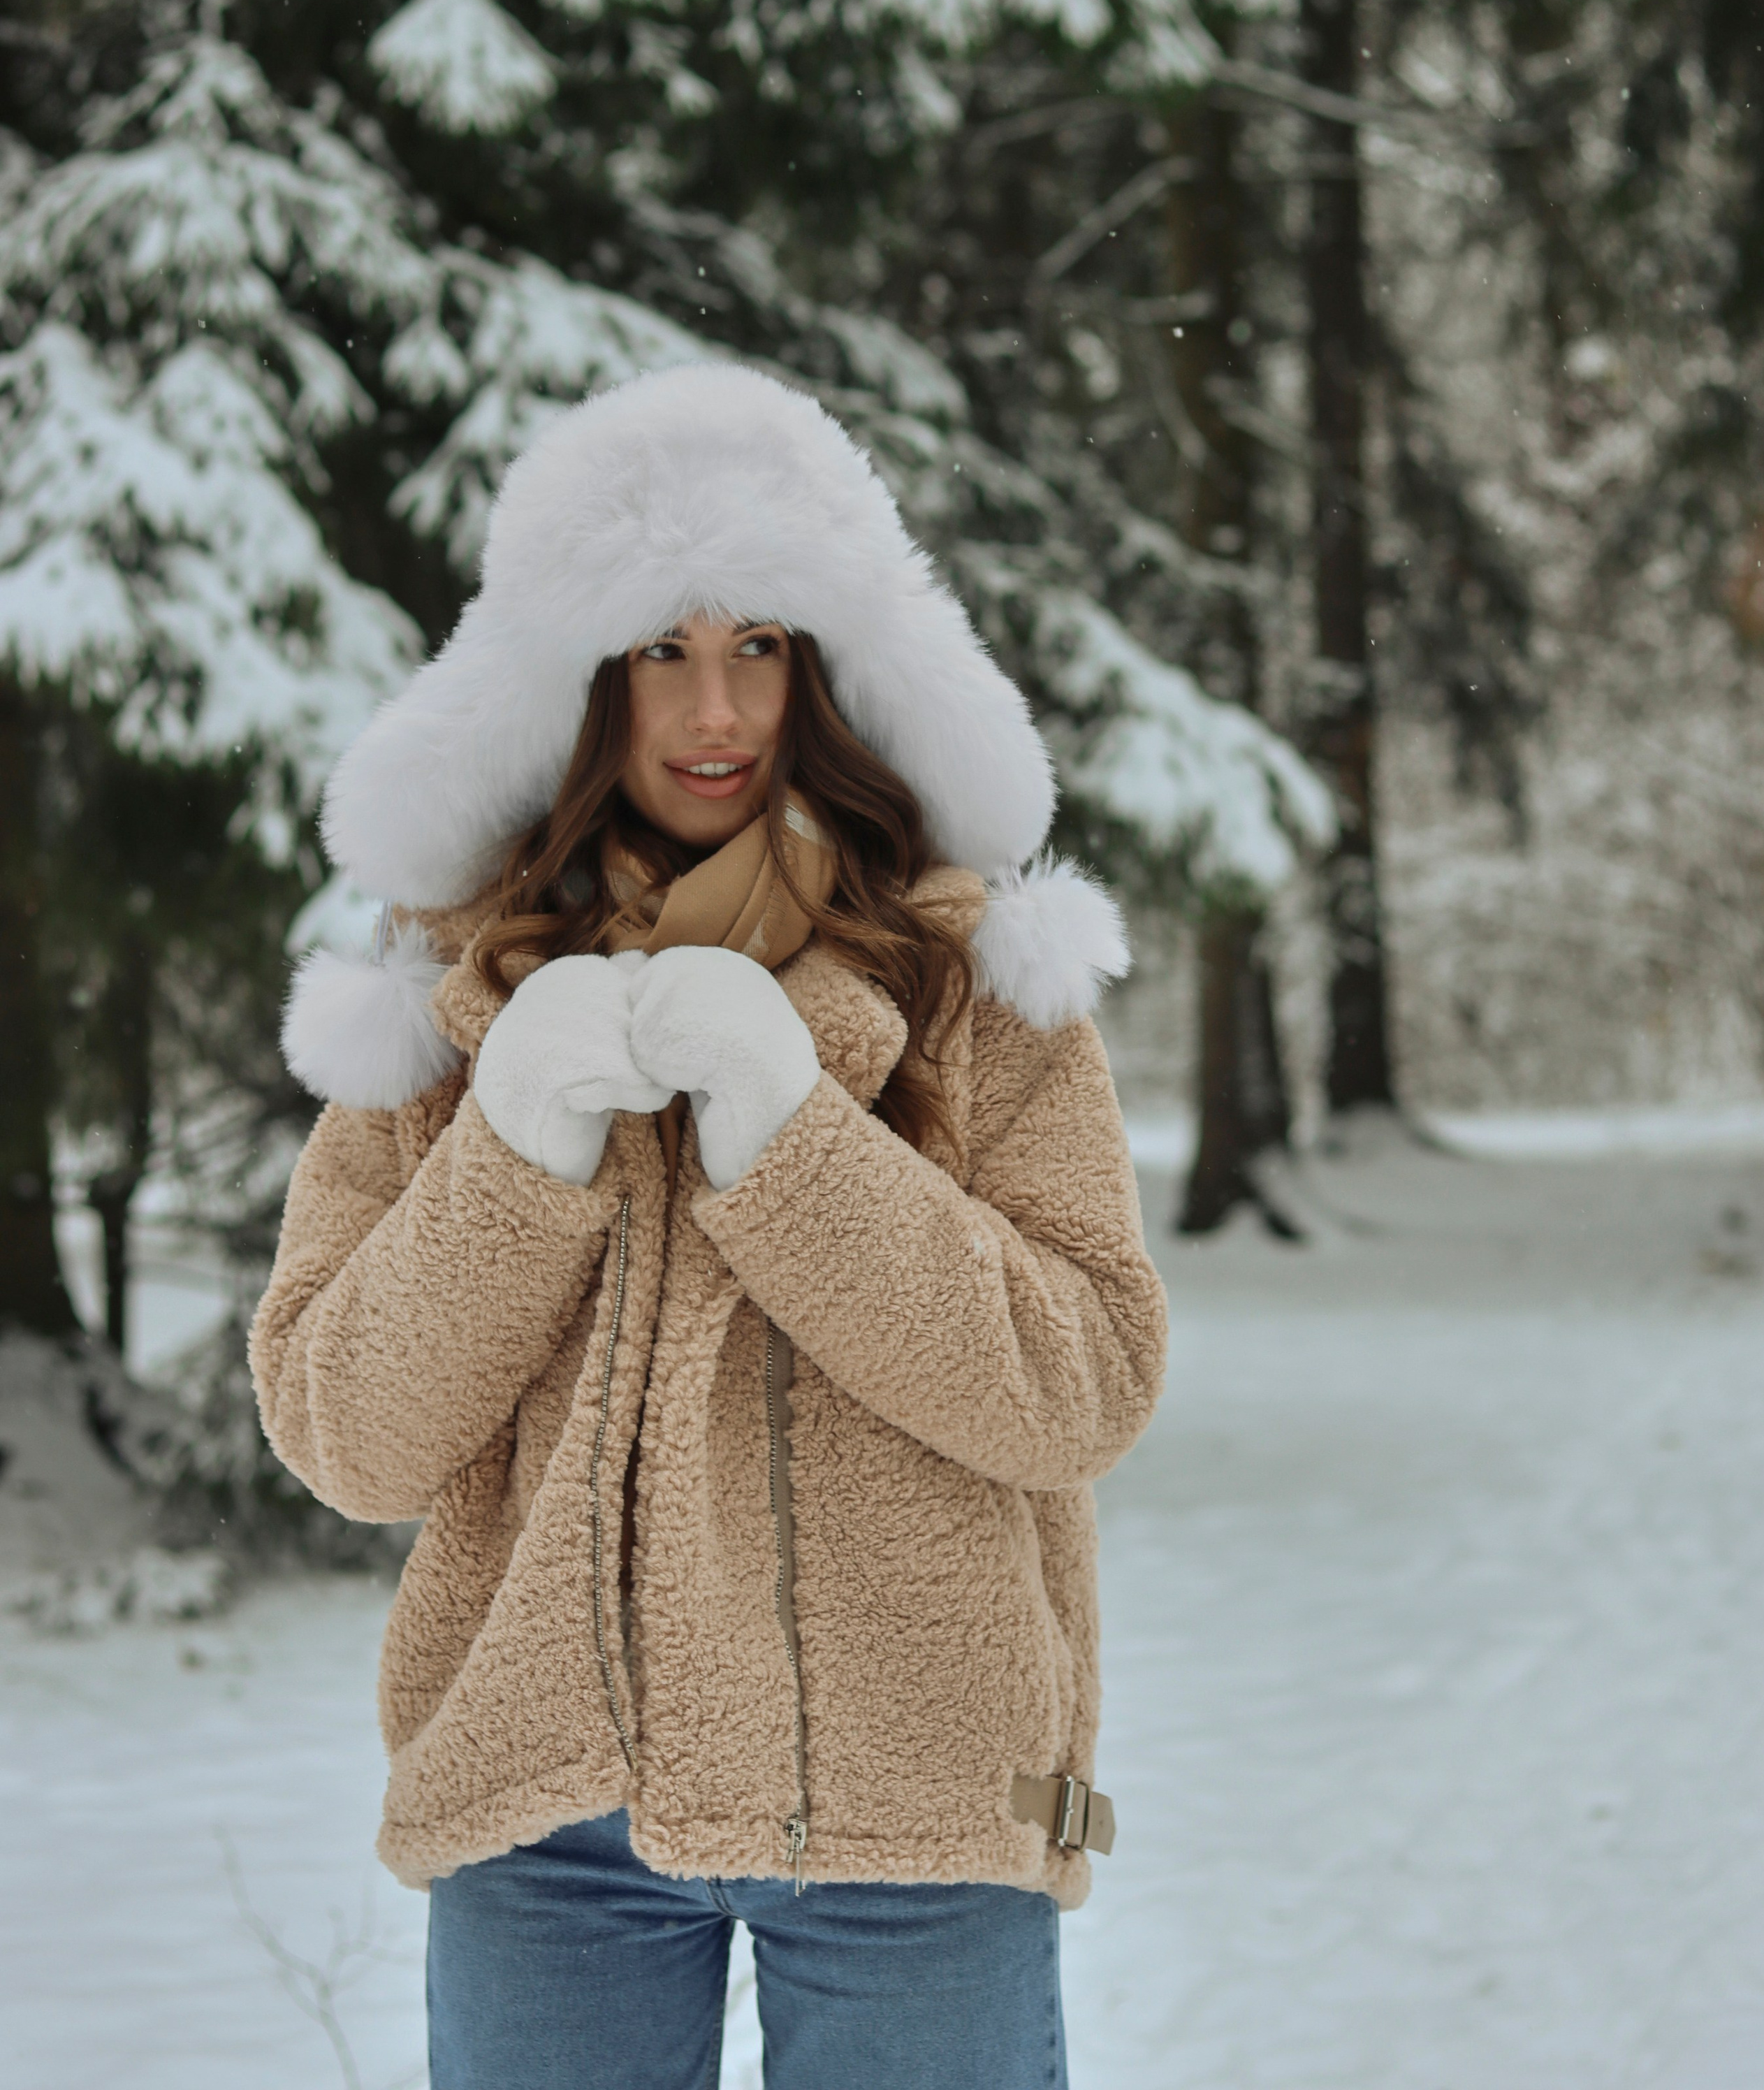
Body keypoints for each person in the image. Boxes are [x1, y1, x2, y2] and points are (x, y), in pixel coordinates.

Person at [255, 363, 1168, 2090]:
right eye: (657, 650)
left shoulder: (975, 984)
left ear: (828, 669)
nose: (713, 704)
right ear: (574, 684)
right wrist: (514, 1147)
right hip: (547, 1816)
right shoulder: (448, 1005)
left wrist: (794, 1144)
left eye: (757, 643)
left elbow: (1086, 1383)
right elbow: (349, 1434)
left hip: (919, 1798)